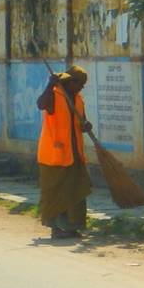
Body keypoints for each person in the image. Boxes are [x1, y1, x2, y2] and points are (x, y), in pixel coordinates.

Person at [37, 66, 94, 240]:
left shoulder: (78, 100)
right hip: (54, 155)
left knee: (77, 191)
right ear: (71, 82)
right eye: (80, 84)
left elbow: (81, 122)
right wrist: (50, 85)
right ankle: (55, 228)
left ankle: (72, 227)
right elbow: (40, 104)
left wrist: (86, 126)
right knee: (55, 193)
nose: (82, 88)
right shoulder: (54, 95)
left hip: (75, 154)